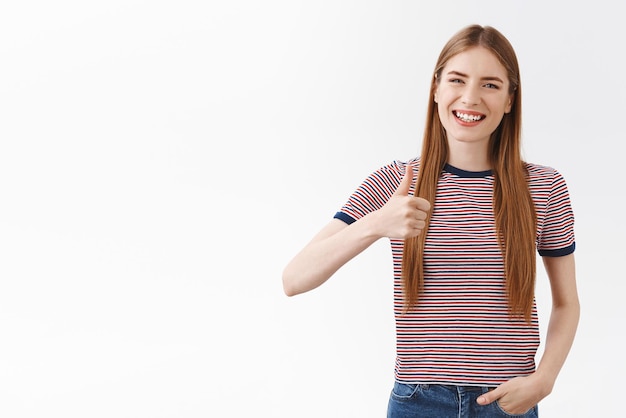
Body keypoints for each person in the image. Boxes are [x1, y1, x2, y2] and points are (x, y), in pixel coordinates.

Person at [282, 24, 579, 418]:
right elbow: (295, 278)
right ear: (436, 89)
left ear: (510, 100)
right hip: (417, 402)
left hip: (508, 402)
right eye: (457, 80)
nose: (470, 97)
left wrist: (545, 379)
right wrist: (375, 224)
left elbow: (566, 302)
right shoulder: (396, 181)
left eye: (490, 84)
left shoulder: (543, 186)